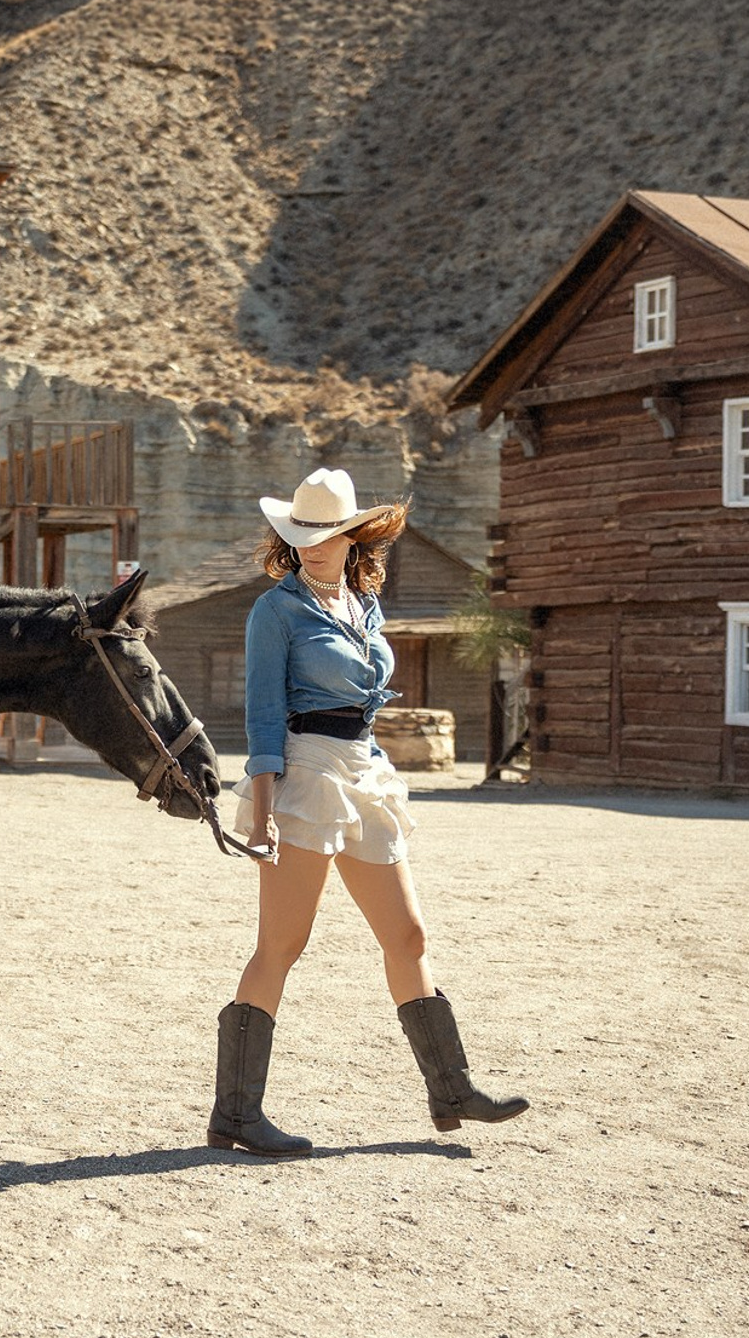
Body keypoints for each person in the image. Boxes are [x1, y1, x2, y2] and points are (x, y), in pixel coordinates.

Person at [206, 467, 530, 1157]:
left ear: (354, 537)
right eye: (299, 536)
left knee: (408, 937)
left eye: (325, 535)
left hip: (364, 769)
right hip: (305, 772)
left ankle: (452, 1091)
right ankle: (235, 1113)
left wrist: (374, 762)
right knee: (282, 946)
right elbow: (263, 715)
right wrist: (261, 812)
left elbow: (366, 699)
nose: (311, 548)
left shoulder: (363, 603)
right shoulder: (276, 611)